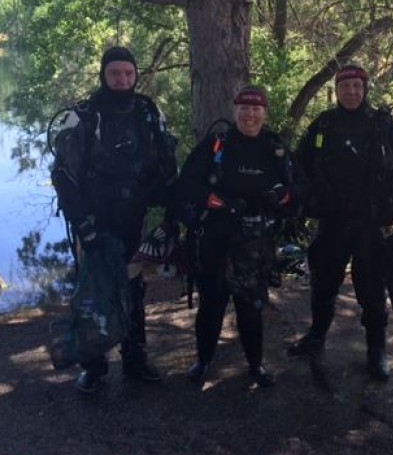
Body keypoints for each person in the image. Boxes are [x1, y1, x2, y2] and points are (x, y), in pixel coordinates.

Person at [51, 46, 179, 394]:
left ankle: (135, 358)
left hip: (133, 218)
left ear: (135, 75)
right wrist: (84, 225)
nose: (122, 80)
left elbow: (167, 161)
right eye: (115, 73)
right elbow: (63, 176)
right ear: (103, 76)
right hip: (94, 220)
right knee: (93, 293)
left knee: (134, 288)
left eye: (128, 73)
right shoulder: (83, 116)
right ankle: (94, 366)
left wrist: (172, 210)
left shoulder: (148, 112)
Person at [287, 64, 393, 382]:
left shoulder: (384, 125)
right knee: (323, 285)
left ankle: (377, 351)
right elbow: (298, 167)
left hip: (371, 225)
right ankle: (316, 336)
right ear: (337, 90)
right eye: (346, 87)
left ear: (365, 89)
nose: (352, 92)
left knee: (372, 292)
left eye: (358, 87)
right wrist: (298, 210)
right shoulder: (324, 125)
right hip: (332, 221)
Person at [178, 86, 299, 389]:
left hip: (257, 244)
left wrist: (282, 197)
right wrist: (220, 201)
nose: (250, 114)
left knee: (251, 306)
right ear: (235, 112)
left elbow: (299, 187)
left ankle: (256, 365)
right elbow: (187, 184)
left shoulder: (275, 147)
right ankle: (203, 360)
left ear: (265, 113)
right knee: (212, 303)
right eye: (244, 108)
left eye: (257, 108)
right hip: (216, 238)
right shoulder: (216, 144)